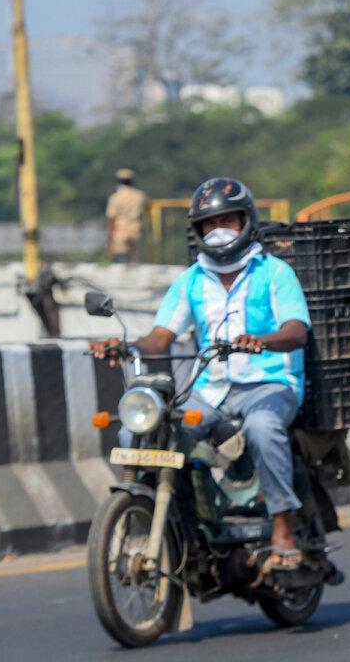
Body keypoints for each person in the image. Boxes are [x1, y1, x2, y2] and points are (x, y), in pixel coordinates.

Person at [91, 177, 311, 569]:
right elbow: (160, 338)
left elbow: (297, 331)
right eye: (209, 223)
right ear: (198, 230)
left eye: (227, 220)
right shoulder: (191, 280)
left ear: (247, 221)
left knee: (263, 429)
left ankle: (281, 525)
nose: (218, 229)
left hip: (271, 383)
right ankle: (171, 518)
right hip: (209, 390)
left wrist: (262, 340)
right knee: (142, 430)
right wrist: (125, 346)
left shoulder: (275, 273)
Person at [105, 168, 147, 263]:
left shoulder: (115, 197)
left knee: (120, 260)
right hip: (135, 229)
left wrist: (110, 239)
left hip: (120, 230)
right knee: (134, 260)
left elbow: (112, 218)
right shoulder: (140, 195)